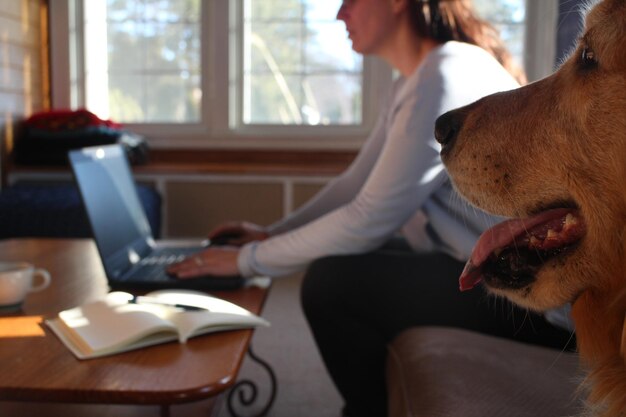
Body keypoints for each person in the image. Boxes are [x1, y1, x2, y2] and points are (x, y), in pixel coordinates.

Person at [168, 0, 575, 416]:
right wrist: (270, 234)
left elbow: (369, 218)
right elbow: (352, 186)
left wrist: (244, 262)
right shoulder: (414, 81)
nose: (339, 15)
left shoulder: (446, 71)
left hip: (532, 300)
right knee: (341, 267)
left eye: (349, 1)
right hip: (470, 266)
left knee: (330, 283)